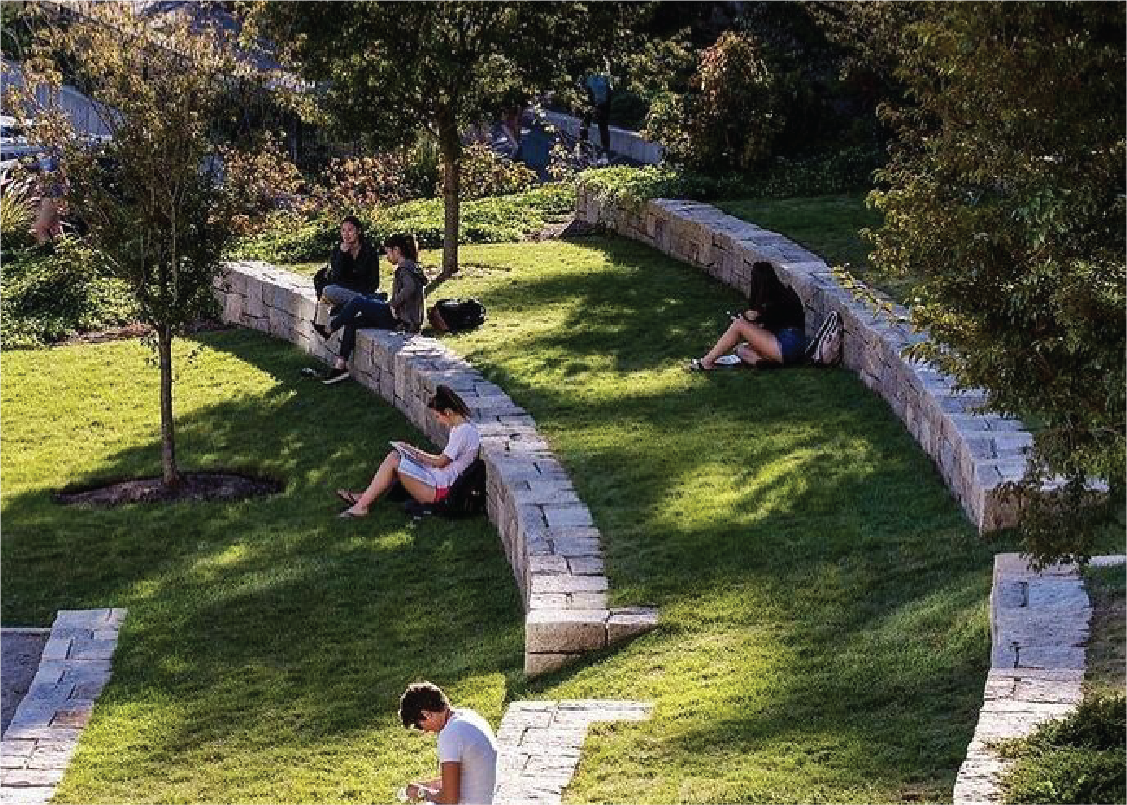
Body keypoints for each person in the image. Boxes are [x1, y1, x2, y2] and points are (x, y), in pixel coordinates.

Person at [335, 385, 479, 518]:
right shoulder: (460, 428)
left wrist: (415, 453)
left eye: (438, 416)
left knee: (394, 460)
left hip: (438, 490)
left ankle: (361, 506)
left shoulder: (463, 432)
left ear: (448, 412)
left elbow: (441, 462)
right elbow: (442, 461)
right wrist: (411, 451)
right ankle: (363, 498)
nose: (438, 420)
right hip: (436, 480)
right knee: (395, 455)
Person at [320, 232, 427, 385]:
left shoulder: (404, 269)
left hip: (401, 321)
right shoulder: (413, 267)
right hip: (403, 319)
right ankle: (340, 366)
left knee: (358, 301)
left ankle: (329, 329)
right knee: (352, 322)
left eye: (388, 252)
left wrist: (393, 304)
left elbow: (409, 288)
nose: (387, 256)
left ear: (396, 250)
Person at [689, 261, 807, 370]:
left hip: (786, 346)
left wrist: (748, 319)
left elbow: (767, 323)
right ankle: (762, 363)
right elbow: (769, 325)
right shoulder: (783, 293)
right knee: (740, 349)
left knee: (739, 325)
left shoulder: (777, 300)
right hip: (790, 346)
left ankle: (706, 362)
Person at [397, 681, 497, 805]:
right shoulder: (469, 716)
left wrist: (421, 793)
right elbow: (460, 780)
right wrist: (424, 786)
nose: (425, 731)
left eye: (419, 726)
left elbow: (450, 800)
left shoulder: (450, 735)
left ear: (426, 714)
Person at [312, 215, 380, 336]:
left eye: (350, 230)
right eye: (343, 230)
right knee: (327, 291)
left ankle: (323, 324)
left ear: (358, 231)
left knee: (328, 291)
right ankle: (323, 324)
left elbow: (374, 282)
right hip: (343, 291)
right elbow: (336, 277)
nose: (346, 234)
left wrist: (359, 290)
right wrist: (342, 255)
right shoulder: (337, 251)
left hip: (362, 294)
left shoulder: (369, 251)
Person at [579, 68, 613, 166]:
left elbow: (583, 89)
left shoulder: (588, 75)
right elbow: (610, 90)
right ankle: (604, 154)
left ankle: (583, 151)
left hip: (591, 102)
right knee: (603, 127)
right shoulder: (604, 75)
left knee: (585, 125)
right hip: (603, 103)